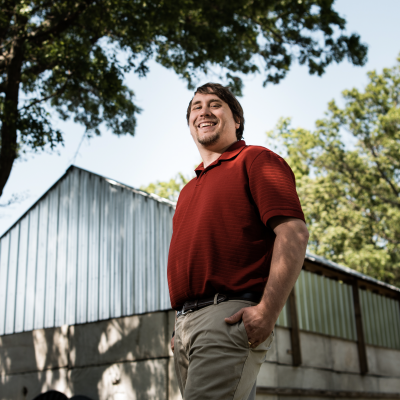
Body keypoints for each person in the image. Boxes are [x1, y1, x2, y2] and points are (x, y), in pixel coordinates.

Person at [167, 83, 309, 400]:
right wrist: (180, 326)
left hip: (228, 316)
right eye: (195, 107)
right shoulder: (187, 191)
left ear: (237, 120)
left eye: (215, 104)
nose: (203, 111)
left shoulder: (255, 159)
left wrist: (267, 312)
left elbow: (293, 233)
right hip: (185, 326)